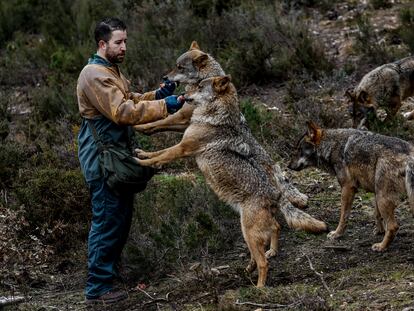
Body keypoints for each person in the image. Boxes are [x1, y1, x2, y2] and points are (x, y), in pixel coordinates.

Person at [76, 17, 184, 305]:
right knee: (107, 221)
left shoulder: (111, 71)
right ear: (102, 44)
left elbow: (131, 97)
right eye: (118, 42)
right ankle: (97, 289)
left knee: (119, 220)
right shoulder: (94, 74)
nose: (124, 47)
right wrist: (164, 106)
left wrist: (157, 95)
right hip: (102, 161)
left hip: (116, 158)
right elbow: (122, 111)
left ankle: (108, 277)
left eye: (125, 41)